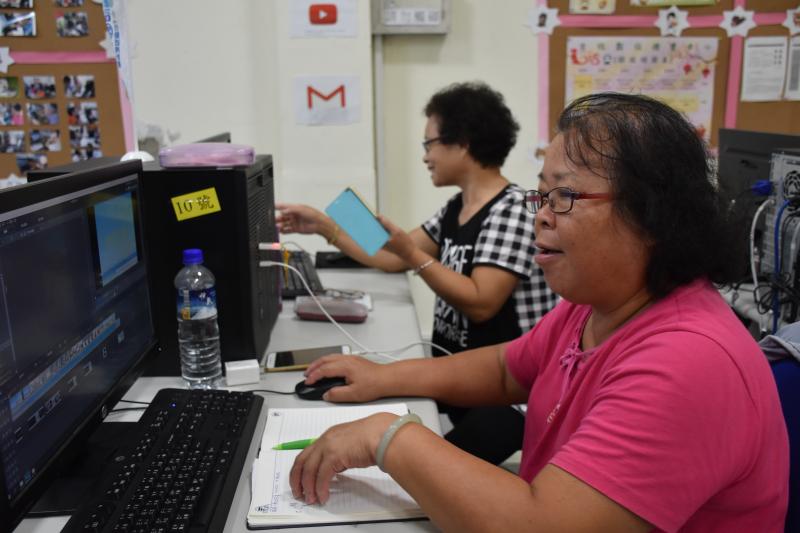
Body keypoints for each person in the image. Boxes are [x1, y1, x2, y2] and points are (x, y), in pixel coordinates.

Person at [288, 93, 789, 531]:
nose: (542, 215)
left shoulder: (688, 360)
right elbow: (507, 367)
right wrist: (383, 375)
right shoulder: (591, 305)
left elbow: (479, 299)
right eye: (543, 195)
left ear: (651, 213)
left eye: (564, 195)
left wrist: (388, 436)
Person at [277, 81, 558, 465]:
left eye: (430, 144)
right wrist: (325, 226)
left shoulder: (511, 210)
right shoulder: (456, 206)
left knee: (430, 468)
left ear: (462, 143)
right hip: (464, 375)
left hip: (510, 395)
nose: (425, 156)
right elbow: (391, 256)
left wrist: (411, 254)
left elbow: (481, 303)